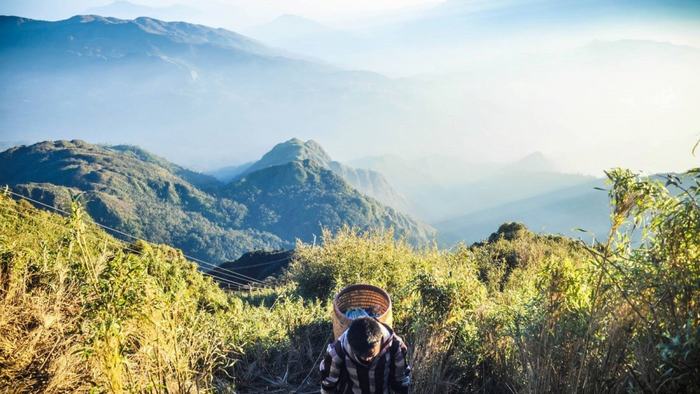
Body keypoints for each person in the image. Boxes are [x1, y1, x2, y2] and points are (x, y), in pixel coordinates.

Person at [320, 317, 411, 394]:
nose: (366, 359)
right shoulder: (337, 352)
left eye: (371, 354)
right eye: (360, 355)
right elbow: (328, 385)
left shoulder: (395, 346)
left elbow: (401, 380)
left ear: (379, 341)